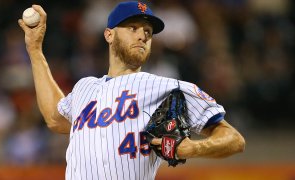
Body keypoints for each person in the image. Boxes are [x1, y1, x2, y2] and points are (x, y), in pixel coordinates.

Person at [18, 1, 245, 180]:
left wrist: (193, 148)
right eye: (132, 27)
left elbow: (234, 139)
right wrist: (35, 50)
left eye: (148, 31)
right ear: (109, 35)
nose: (142, 35)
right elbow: (55, 119)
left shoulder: (167, 87)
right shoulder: (84, 87)